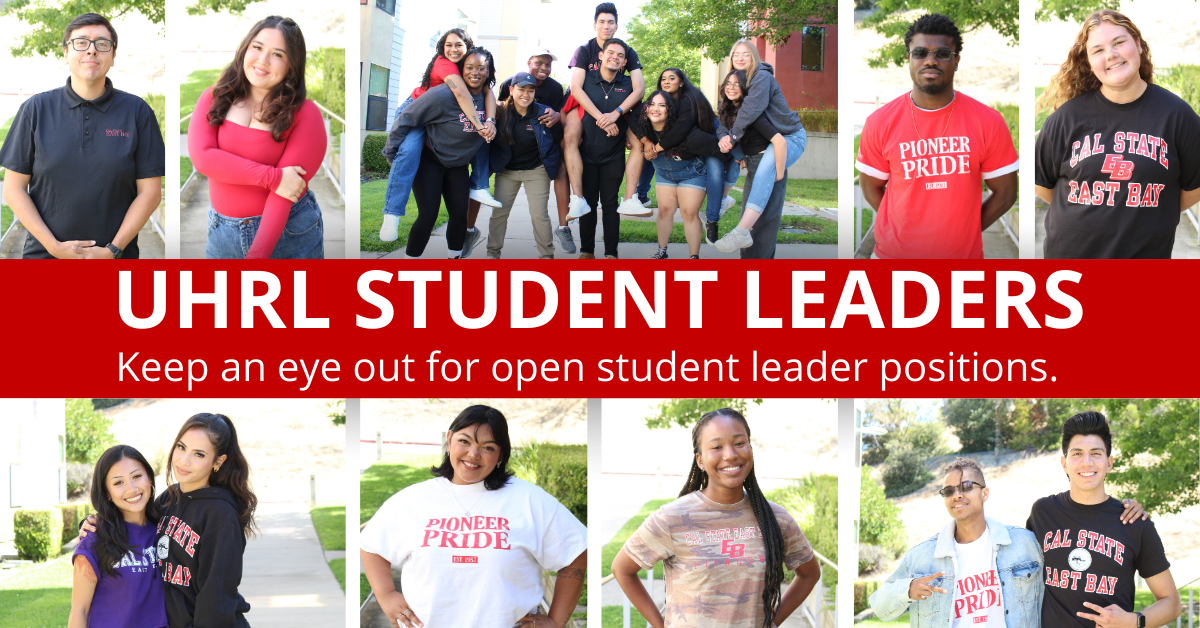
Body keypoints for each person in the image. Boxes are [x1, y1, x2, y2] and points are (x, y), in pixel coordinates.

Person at [360, 405, 587, 628]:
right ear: (449, 440)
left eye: (488, 447)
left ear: (501, 455)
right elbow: (371, 545)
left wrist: (555, 621)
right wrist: (386, 595)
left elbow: (576, 550)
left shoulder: (530, 501)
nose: (473, 454)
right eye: (464, 441)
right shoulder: (413, 500)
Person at [612, 408, 822, 628]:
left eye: (739, 443)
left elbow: (809, 574)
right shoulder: (673, 517)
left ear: (750, 449)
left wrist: (772, 622)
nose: (730, 454)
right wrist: (660, 625)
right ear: (700, 460)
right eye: (717, 447)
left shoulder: (776, 519)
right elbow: (622, 569)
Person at [1035, 10, 1200, 258]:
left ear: (1139, 45)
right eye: (1098, 50)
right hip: (1069, 271)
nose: (1111, 54)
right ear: (1089, 62)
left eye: (1119, 42)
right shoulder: (1066, 119)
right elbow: (1043, 185)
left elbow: (1193, 188)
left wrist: (1150, 211)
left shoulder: (1177, 116)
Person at [0, 13, 164, 259]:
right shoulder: (35, 109)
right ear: (66, 52)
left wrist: (112, 250)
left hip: (115, 259)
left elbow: (150, 193)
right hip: (43, 257)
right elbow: (14, 189)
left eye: (102, 44)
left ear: (113, 55)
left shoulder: (137, 112)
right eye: (81, 42)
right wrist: (54, 247)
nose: (92, 50)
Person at [855, 13, 1019, 259]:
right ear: (909, 58)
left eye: (942, 54)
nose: (930, 61)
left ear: (956, 60)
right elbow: (870, 187)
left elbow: (1006, 193)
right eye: (920, 53)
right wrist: (904, 227)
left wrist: (965, 232)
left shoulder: (988, 121)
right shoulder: (879, 122)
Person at [81, 413, 258, 628]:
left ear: (218, 461)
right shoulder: (170, 498)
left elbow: (216, 601)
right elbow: (132, 519)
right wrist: (92, 523)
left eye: (199, 454)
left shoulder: (220, 515)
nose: (184, 461)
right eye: (181, 447)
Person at [189, 16, 327, 259]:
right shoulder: (214, 97)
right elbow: (203, 159)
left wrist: (258, 254)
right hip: (222, 232)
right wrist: (273, 177)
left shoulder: (305, 114)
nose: (262, 61)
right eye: (258, 47)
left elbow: (286, 192)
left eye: (278, 54)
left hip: (288, 234)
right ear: (246, 48)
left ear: (291, 65)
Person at [1027, 412, 1182, 627]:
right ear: (1064, 464)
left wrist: (1133, 621)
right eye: (1077, 453)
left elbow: (1172, 603)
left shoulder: (1134, 522)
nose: (1086, 462)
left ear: (1109, 463)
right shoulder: (1043, 513)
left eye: (1096, 453)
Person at [868, 458, 1044, 627]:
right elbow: (880, 608)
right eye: (949, 491)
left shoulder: (1023, 543)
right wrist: (907, 589)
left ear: (985, 493)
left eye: (966, 487)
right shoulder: (922, 556)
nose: (957, 495)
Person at [379, 28, 501, 252]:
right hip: (422, 129)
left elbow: (487, 90)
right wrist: (390, 151)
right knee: (427, 211)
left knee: (459, 215)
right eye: (449, 44)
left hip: (455, 165)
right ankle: (392, 215)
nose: (453, 49)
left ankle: (454, 261)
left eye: (480, 68)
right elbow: (409, 118)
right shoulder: (445, 82)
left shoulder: (483, 89)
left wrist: (491, 120)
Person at [712, 40, 808, 254]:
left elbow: (751, 111)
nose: (740, 57)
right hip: (763, 152)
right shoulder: (736, 96)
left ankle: (741, 234)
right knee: (753, 213)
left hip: (786, 138)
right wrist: (730, 142)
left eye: (746, 54)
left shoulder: (761, 77)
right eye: (735, 54)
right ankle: (742, 238)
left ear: (754, 56)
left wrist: (732, 138)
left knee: (765, 220)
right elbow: (723, 124)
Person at [561, 3, 647, 221]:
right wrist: (601, 118)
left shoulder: (625, 50)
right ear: (595, 25)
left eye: (611, 22)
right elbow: (576, 88)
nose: (606, 26)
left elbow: (639, 90)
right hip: (584, 101)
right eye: (602, 22)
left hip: (616, 103)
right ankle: (578, 199)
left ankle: (629, 199)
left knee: (639, 143)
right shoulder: (584, 50)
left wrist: (616, 113)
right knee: (570, 136)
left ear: (616, 26)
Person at [70, 445, 168, 628]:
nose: (131, 489)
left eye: (137, 476)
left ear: (150, 479)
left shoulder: (165, 530)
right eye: (118, 482)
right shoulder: (93, 539)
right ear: (107, 493)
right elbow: (78, 611)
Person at [497, 49, 578, 254]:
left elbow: (560, 114)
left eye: (548, 64)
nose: (544, 68)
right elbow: (499, 108)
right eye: (539, 63)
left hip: (546, 138)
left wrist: (556, 115)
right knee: (487, 185)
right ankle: (471, 231)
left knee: (560, 170)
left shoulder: (554, 88)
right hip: (513, 148)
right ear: (529, 63)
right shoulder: (509, 82)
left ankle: (563, 228)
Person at [638, 89, 727, 259]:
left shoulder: (683, 130)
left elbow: (714, 146)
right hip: (664, 173)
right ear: (646, 108)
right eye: (652, 104)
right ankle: (661, 252)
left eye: (662, 105)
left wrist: (733, 161)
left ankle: (693, 257)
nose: (656, 109)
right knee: (664, 211)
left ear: (669, 110)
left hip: (691, 172)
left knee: (688, 212)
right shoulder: (644, 129)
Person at [486, 71, 565, 258]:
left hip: (536, 170)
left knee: (540, 215)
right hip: (507, 171)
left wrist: (558, 118)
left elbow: (559, 138)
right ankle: (492, 253)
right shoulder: (499, 112)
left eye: (531, 90)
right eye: (521, 89)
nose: (526, 95)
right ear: (512, 90)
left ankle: (547, 256)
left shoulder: (544, 113)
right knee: (499, 214)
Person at [713, 69, 788, 247]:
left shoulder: (751, 113)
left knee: (762, 223)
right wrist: (741, 154)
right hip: (753, 163)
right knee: (751, 219)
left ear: (745, 88)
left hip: (766, 164)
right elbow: (726, 132)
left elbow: (780, 141)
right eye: (728, 84)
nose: (731, 88)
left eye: (737, 85)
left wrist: (778, 172)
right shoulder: (729, 109)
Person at [576, 39, 633, 259]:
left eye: (620, 55)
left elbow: (637, 112)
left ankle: (611, 253)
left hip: (613, 154)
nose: (615, 57)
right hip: (587, 153)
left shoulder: (628, 84)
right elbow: (570, 99)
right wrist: (605, 121)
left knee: (610, 204)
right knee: (588, 203)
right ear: (601, 55)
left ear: (624, 61)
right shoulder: (586, 80)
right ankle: (586, 251)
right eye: (611, 53)